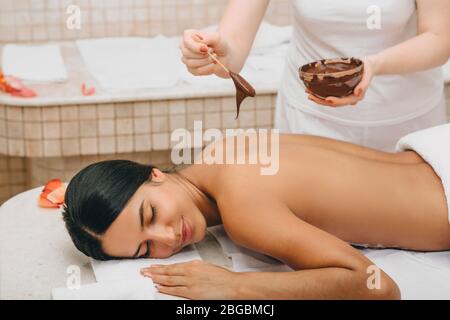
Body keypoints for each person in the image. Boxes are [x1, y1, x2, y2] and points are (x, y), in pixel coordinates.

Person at [62, 133, 450, 299]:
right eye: (145, 249)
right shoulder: (222, 152)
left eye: (151, 214)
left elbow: (378, 287)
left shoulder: (242, 210)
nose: (167, 237)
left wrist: (236, 287)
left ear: (154, 174)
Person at [179, 0, 450, 151]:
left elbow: (440, 39)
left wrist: (374, 65)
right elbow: (233, 45)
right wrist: (217, 53)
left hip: (404, 121)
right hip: (313, 122)